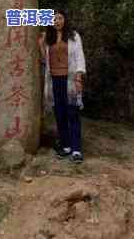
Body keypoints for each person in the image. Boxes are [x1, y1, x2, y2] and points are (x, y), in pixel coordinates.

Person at [38, 10, 86, 163]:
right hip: (54, 80)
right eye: (54, 19)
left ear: (65, 19)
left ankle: (76, 149)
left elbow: (79, 56)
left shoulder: (73, 35)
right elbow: (46, 60)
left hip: (70, 79)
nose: (57, 21)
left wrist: (79, 77)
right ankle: (66, 146)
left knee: (73, 113)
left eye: (60, 18)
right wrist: (41, 44)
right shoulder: (50, 38)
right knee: (60, 114)